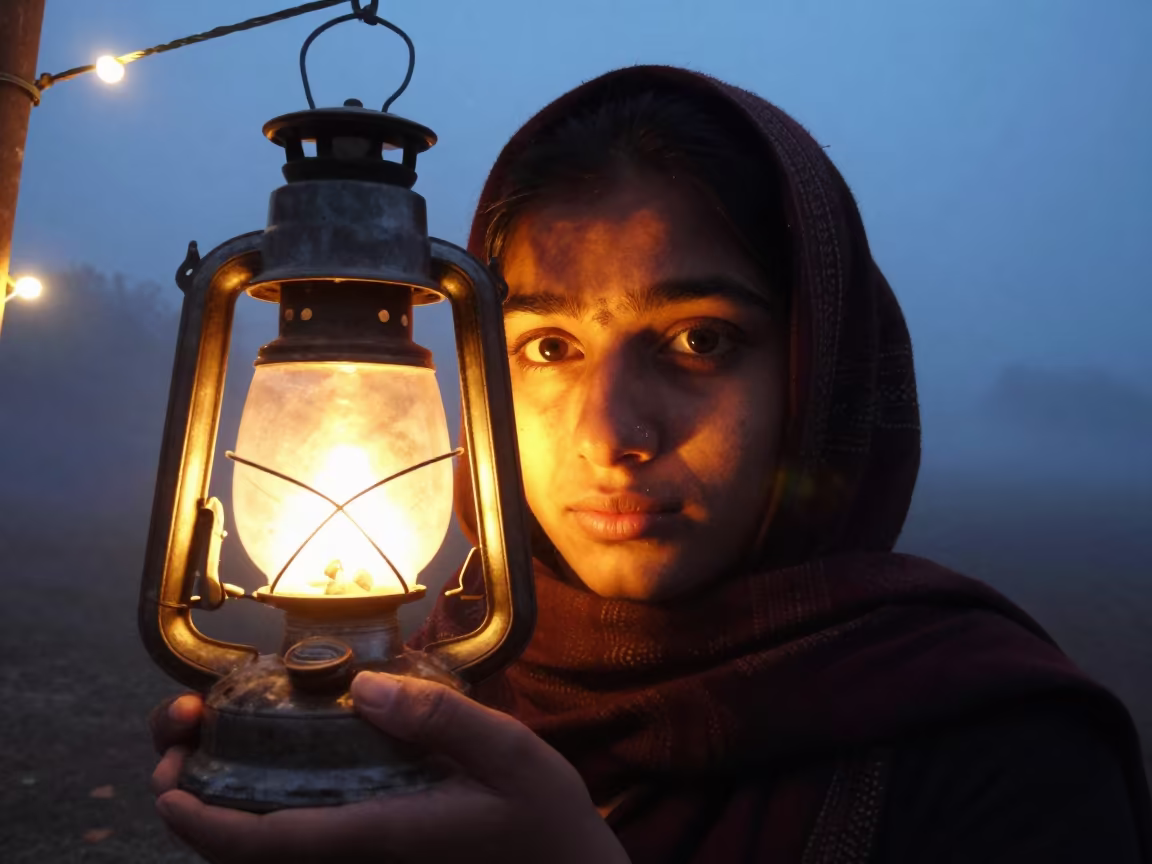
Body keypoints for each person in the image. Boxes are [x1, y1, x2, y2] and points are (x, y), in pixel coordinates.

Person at [150, 66, 1152, 863]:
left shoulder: (1004, 755)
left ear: (821, 372)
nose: (610, 435)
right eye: (547, 347)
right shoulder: (450, 690)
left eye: (699, 341)